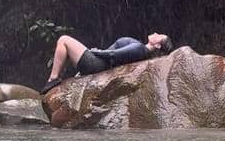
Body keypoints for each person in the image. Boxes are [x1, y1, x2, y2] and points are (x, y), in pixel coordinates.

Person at [41, 32, 174, 94]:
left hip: (96, 64)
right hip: (99, 65)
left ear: (157, 46)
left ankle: (53, 78)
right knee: (65, 43)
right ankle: (55, 78)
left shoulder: (139, 48)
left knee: (63, 39)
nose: (155, 33)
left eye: (159, 36)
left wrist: (95, 52)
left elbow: (113, 55)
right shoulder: (141, 51)